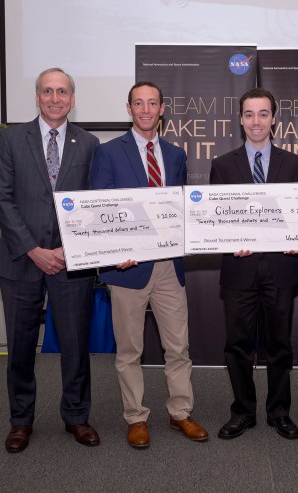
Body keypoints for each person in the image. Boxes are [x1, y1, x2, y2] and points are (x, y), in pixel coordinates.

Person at [90, 81, 208, 448]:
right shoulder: (108, 153)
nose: (145, 109)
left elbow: (179, 209)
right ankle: (135, 417)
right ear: (129, 109)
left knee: (178, 347)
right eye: (138, 103)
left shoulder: (175, 155)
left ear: (162, 109)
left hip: (168, 266)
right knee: (129, 351)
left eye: (152, 103)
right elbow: (100, 208)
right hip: (127, 269)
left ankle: (180, 413)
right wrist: (113, 252)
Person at [0, 67, 100, 453]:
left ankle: (76, 416)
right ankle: (21, 420)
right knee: (21, 348)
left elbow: (94, 204)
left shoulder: (88, 143)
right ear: (37, 97)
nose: (55, 98)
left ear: (72, 98)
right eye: (48, 91)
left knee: (75, 345)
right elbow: (1, 199)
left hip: (72, 262)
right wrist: (34, 249)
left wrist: (71, 249)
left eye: (63, 92)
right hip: (22, 261)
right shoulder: (10, 139)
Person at [210, 88, 298, 440]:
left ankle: (279, 411)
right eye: (249, 114)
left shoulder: (295, 165)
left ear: (274, 119)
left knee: (279, 345)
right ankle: (243, 411)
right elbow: (216, 220)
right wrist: (227, 240)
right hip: (239, 271)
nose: (256, 121)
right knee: (237, 346)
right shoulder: (222, 165)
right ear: (240, 120)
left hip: (280, 269)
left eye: (263, 114)